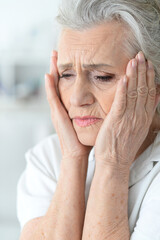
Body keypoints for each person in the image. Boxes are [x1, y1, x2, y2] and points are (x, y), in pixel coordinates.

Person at [17, 0, 160, 239]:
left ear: (153, 87)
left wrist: (113, 162)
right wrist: (74, 158)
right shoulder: (47, 159)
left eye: (102, 77)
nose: (76, 98)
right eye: (67, 74)